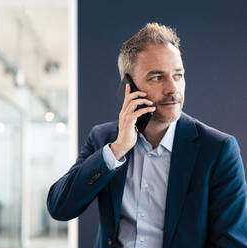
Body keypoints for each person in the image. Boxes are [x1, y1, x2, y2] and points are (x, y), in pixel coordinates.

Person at [47, 23, 247, 248]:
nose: (173, 89)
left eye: (178, 75)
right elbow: (60, 207)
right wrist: (116, 151)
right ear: (128, 87)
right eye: (157, 78)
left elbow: (232, 243)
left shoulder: (219, 150)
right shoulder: (104, 139)